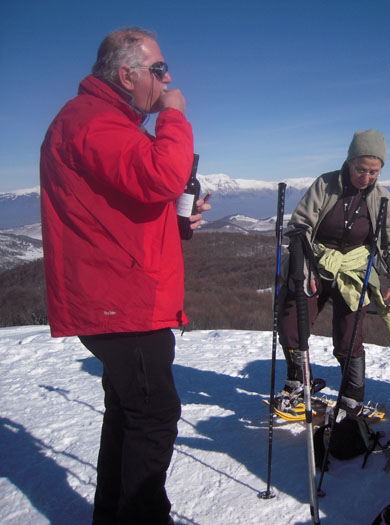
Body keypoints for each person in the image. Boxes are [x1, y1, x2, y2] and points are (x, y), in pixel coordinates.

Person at [40, 27, 210, 524]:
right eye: (159, 70)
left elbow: (122, 202)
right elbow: (161, 175)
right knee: (152, 416)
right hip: (121, 303)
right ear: (127, 74)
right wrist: (174, 115)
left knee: (128, 413)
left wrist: (176, 220)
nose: (167, 78)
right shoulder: (94, 123)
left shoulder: (101, 121)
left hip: (122, 294)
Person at [276, 129, 390, 415]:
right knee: (291, 327)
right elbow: (301, 227)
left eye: (374, 171)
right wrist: (305, 268)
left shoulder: (382, 200)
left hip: (354, 270)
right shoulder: (325, 186)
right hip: (316, 262)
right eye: (361, 169)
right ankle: (298, 383)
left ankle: (352, 397)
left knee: (349, 338)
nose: (367, 177)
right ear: (349, 162)